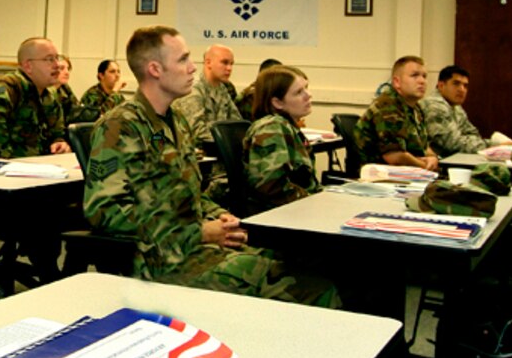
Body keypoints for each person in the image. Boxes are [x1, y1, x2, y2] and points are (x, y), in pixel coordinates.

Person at [83, 26, 338, 306]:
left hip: (198, 248)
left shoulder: (176, 121)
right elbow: (105, 212)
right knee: (312, 289)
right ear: (155, 69)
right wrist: (200, 232)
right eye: (183, 60)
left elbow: (190, 194)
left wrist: (222, 217)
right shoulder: (121, 126)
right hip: (162, 261)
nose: (193, 68)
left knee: (310, 264)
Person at [0, 37, 71, 158]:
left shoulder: (50, 94)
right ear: (28, 66)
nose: (57, 65)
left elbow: (58, 132)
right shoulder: (7, 89)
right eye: (49, 59)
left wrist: (60, 143)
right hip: (0, 168)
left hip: (39, 167)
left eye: (57, 58)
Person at [243, 64, 322, 210]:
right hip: (280, 217)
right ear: (277, 103)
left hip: (295, 211)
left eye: (306, 87)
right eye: (299, 92)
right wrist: (315, 203)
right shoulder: (271, 127)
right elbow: (271, 187)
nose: (308, 95)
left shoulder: (287, 126)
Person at [354, 55, 439, 170]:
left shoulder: (416, 108)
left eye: (424, 76)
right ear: (397, 82)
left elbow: (423, 146)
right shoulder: (388, 106)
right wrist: (425, 166)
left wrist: (432, 158)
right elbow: (395, 157)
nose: (422, 81)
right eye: (414, 75)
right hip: (380, 176)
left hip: (408, 174)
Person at [422, 64, 512, 157]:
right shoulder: (434, 106)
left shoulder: (456, 106)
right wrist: (492, 146)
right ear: (441, 86)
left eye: (465, 86)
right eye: (456, 84)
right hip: (438, 163)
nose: (462, 89)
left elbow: (473, 134)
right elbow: (453, 144)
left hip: (454, 158)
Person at [174, 43, 242, 143]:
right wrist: (228, 142)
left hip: (219, 149)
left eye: (231, 64)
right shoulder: (193, 89)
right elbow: (198, 133)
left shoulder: (222, 89)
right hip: (197, 152)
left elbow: (237, 124)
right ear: (208, 63)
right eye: (225, 62)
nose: (229, 68)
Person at [52, 54, 79, 125]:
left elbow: (77, 109)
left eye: (68, 69)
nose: (67, 72)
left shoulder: (65, 88)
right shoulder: (44, 90)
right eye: (61, 68)